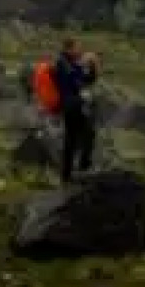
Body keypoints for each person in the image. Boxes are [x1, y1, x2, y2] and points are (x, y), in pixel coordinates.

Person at [52, 36, 100, 182]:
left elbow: (86, 80)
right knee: (84, 135)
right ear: (69, 48)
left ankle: (68, 174)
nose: (79, 50)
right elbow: (75, 80)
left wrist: (93, 67)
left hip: (74, 105)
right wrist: (84, 63)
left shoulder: (69, 62)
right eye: (77, 48)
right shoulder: (63, 62)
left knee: (74, 138)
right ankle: (80, 169)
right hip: (71, 106)